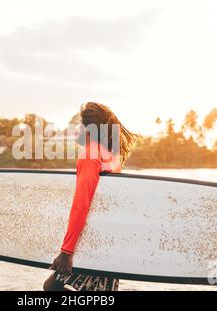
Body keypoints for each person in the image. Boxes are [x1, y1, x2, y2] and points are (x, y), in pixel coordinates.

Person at [43, 102, 137, 291]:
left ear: (89, 129)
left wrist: (67, 251)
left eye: (79, 124)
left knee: (51, 288)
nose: (76, 128)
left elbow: (82, 204)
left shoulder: (91, 154)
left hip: (94, 245)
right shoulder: (110, 156)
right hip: (109, 243)